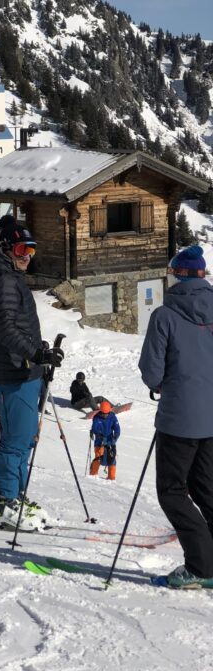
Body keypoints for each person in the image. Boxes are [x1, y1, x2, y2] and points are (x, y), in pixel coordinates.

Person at [0, 214, 64, 530]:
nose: (26, 256)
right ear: (4, 247)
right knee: (16, 440)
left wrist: (39, 350)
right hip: (14, 372)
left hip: (20, 369)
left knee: (23, 438)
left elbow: (14, 326)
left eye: (31, 250)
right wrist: (37, 352)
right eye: (20, 249)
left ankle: (15, 496)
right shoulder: (3, 281)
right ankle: (4, 503)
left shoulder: (4, 276)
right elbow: (6, 330)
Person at [139, 243, 213, 589]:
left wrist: (162, 382)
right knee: (206, 489)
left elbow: (151, 373)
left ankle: (201, 566)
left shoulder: (165, 315)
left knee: (172, 490)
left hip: (179, 420)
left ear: (177, 275)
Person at [89, 400, 120, 479]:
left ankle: (111, 477)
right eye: (103, 413)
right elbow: (95, 429)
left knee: (112, 459)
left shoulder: (113, 417)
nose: (105, 415)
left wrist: (115, 438)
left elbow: (117, 429)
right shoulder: (96, 417)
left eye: (107, 413)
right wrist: (99, 435)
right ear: (100, 411)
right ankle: (93, 475)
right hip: (99, 442)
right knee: (98, 458)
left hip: (110, 442)